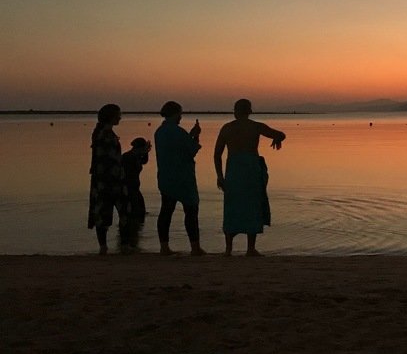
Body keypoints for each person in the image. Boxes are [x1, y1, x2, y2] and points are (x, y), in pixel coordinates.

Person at [214, 98, 286, 256]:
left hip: (233, 170)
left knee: (232, 207)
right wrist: (277, 139)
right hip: (250, 169)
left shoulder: (227, 128)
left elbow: (217, 154)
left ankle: (228, 249)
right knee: (252, 206)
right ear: (249, 111)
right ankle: (250, 248)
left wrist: (219, 175)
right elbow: (281, 134)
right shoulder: (255, 126)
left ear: (235, 111)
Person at [154, 101, 205, 256]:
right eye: (180, 114)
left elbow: (178, 147)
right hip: (183, 177)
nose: (181, 117)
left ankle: (164, 247)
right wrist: (195, 135)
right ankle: (195, 247)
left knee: (166, 211)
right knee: (191, 211)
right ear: (175, 114)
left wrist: (190, 135)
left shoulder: (159, 132)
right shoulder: (178, 132)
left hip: (166, 176)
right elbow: (192, 149)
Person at [88, 103, 130, 255]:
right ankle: (113, 246)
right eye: (118, 114)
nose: (120, 117)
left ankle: (109, 247)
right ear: (111, 116)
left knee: (108, 213)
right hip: (109, 180)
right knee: (118, 212)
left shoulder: (103, 133)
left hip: (106, 179)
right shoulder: (104, 134)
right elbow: (109, 159)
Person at [120, 137, 150, 248]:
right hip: (128, 188)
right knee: (132, 212)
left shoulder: (136, 156)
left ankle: (132, 235)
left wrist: (146, 152)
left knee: (139, 212)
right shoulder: (128, 157)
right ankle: (128, 239)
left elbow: (144, 161)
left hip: (135, 188)